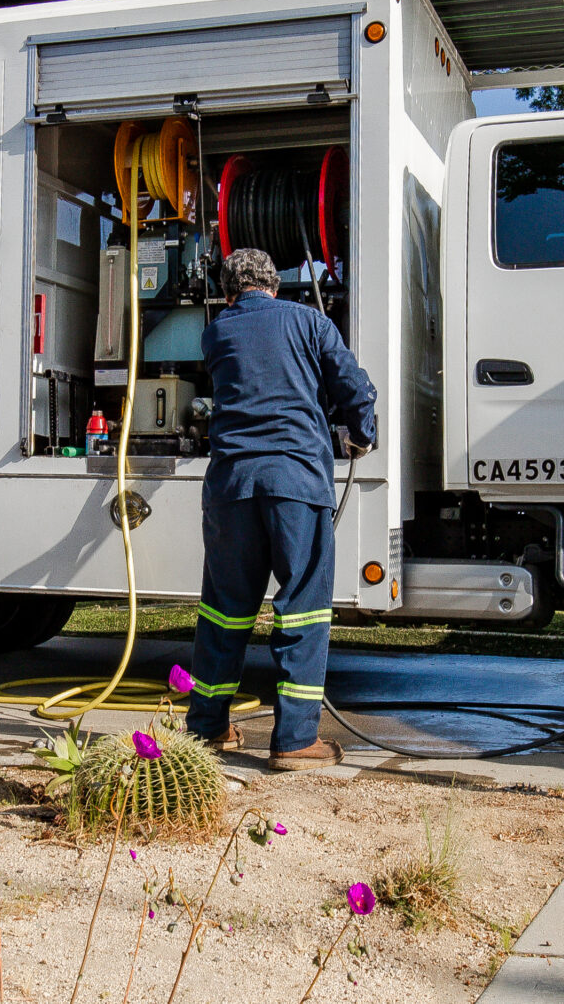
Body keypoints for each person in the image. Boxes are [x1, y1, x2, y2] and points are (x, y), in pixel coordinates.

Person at [184, 245, 378, 771]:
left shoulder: (216, 332)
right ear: (275, 284)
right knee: (303, 606)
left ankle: (207, 728)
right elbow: (354, 388)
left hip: (231, 489)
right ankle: (294, 741)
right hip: (295, 483)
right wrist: (362, 435)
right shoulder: (310, 322)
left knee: (223, 610)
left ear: (228, 291)